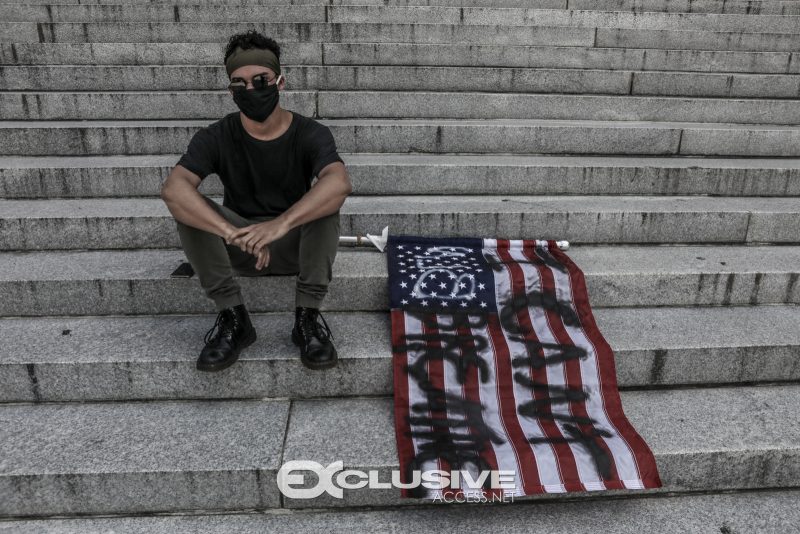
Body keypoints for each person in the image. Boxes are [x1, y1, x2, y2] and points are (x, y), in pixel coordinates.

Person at [160, 30, 352, 373]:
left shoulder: (310, 133)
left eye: (260, 80)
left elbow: (339, 182)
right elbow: (174, 189)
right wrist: (231, 233)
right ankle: (233, 318)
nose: (251, 90)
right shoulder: (215, 136)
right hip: (241, 247)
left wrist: (279, 225)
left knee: (326, 201)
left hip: (294, 246)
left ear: (280, 82)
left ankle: (307, 318)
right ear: (230, 90)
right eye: (240, 84)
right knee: (189, 206)